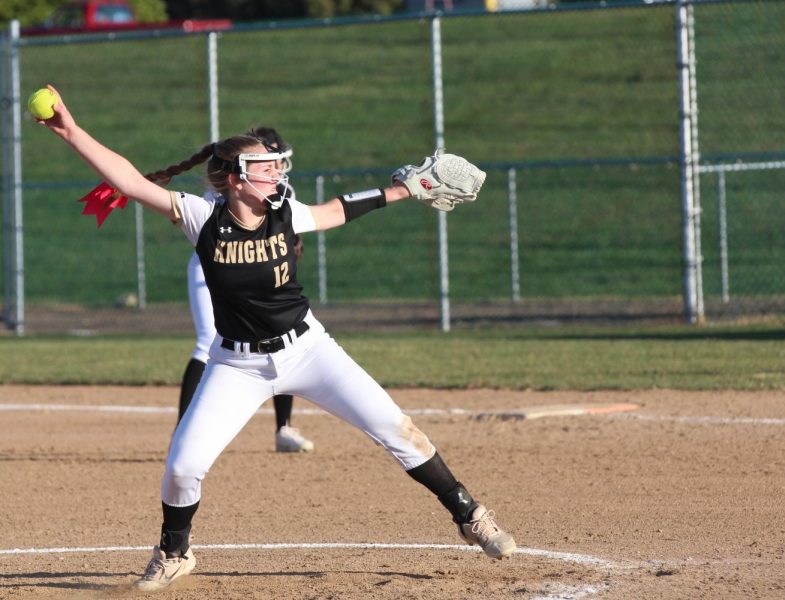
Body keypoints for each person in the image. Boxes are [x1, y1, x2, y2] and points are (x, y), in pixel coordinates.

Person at [36, 85, 515, 593]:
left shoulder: (286, 208)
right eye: (266, 167)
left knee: (396, 428)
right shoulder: (203, 219)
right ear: (236, 180)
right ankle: (175, 553)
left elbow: (335, 210)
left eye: (277, 165)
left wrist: (398, 191)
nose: (277, 172)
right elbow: (129, 181)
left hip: (309, 350)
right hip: (235, 367)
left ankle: (470, 516)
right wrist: (70, 130)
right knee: (182, 467)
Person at [180, 126, 313, 453]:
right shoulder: (231, 184)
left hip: (260, 272)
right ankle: (183, 432)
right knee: (205, 342)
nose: (278, 168)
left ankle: (284, 428)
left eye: (278, 160)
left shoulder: (282, 191)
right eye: (270, 159)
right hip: (216, 270)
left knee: (283, 331)